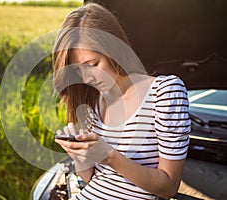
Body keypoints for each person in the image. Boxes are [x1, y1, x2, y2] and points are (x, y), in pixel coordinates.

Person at [53, 2, 190, 200]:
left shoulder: (164, 92)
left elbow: (168, 188)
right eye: (77, 70)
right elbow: (91, 179)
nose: (86, 78)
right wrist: (79, 154)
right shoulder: (92, 100)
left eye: (92, 64)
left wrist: (109, 156)